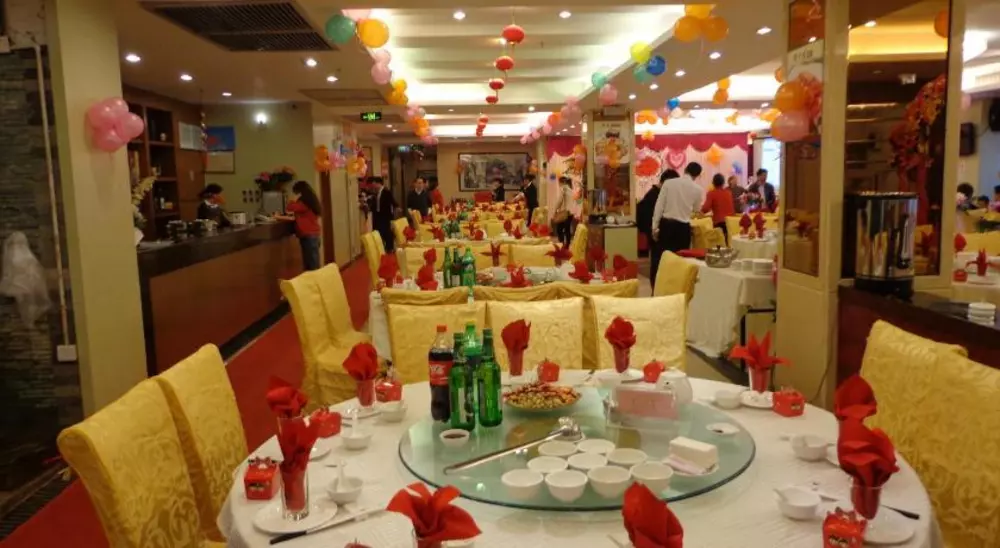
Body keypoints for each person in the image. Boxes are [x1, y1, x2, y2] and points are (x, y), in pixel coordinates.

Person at [652, 162, 705, 254]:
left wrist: (654, 227)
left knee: (665, 257)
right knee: (681, 257)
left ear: (685, 170)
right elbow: (696, 209)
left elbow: (659, 206)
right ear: (697, 175)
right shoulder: (698, 189)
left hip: (667, 226)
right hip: (683, 228)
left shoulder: (668, 183)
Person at [642, 170, 679, 290]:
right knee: (658, 264)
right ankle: (657, 290)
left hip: (661, 234)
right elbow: (648, 217)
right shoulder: (653, 195)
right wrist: (654, 231)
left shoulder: (659, 193)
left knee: (661, 263)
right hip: (657, 235)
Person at [274, 180, 322, 271]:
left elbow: (290, 207)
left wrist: (292, 199)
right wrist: (279, 217)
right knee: (311, 262)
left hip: (309, 235)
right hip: (311, 235)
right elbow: (295, 217)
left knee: (311, 264)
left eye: (295, 192)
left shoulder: (304, 203)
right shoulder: (310, 202)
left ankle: (314, 280)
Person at [702, 174, 736, 243]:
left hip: (719, 224)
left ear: (713, 183)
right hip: (731, 222)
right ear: (723, 183)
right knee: (729, 243)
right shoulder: (728, 193)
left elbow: (705, 209)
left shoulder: (711, 193)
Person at [369, 177, 398, 252]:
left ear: (379, 183)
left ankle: (390, 248)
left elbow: (392, 201)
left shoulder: (386, 191)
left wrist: (397, 207)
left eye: (374, 184)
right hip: (377, 216)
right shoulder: (376, 192)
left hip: (385, 216)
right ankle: (381, 247)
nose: (373, 186)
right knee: (378, 232)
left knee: (387, 232)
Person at [553, 176, 574, 246]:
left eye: (559, 183)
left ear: (562, 182)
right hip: (571, 212)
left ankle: (561, 244)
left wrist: (555, 209)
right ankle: (567, 244)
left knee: (559, 228)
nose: (559, 184)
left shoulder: (563, 188)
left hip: (565, 212)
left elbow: (559, 200)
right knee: (567, 229)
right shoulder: (571, 189)